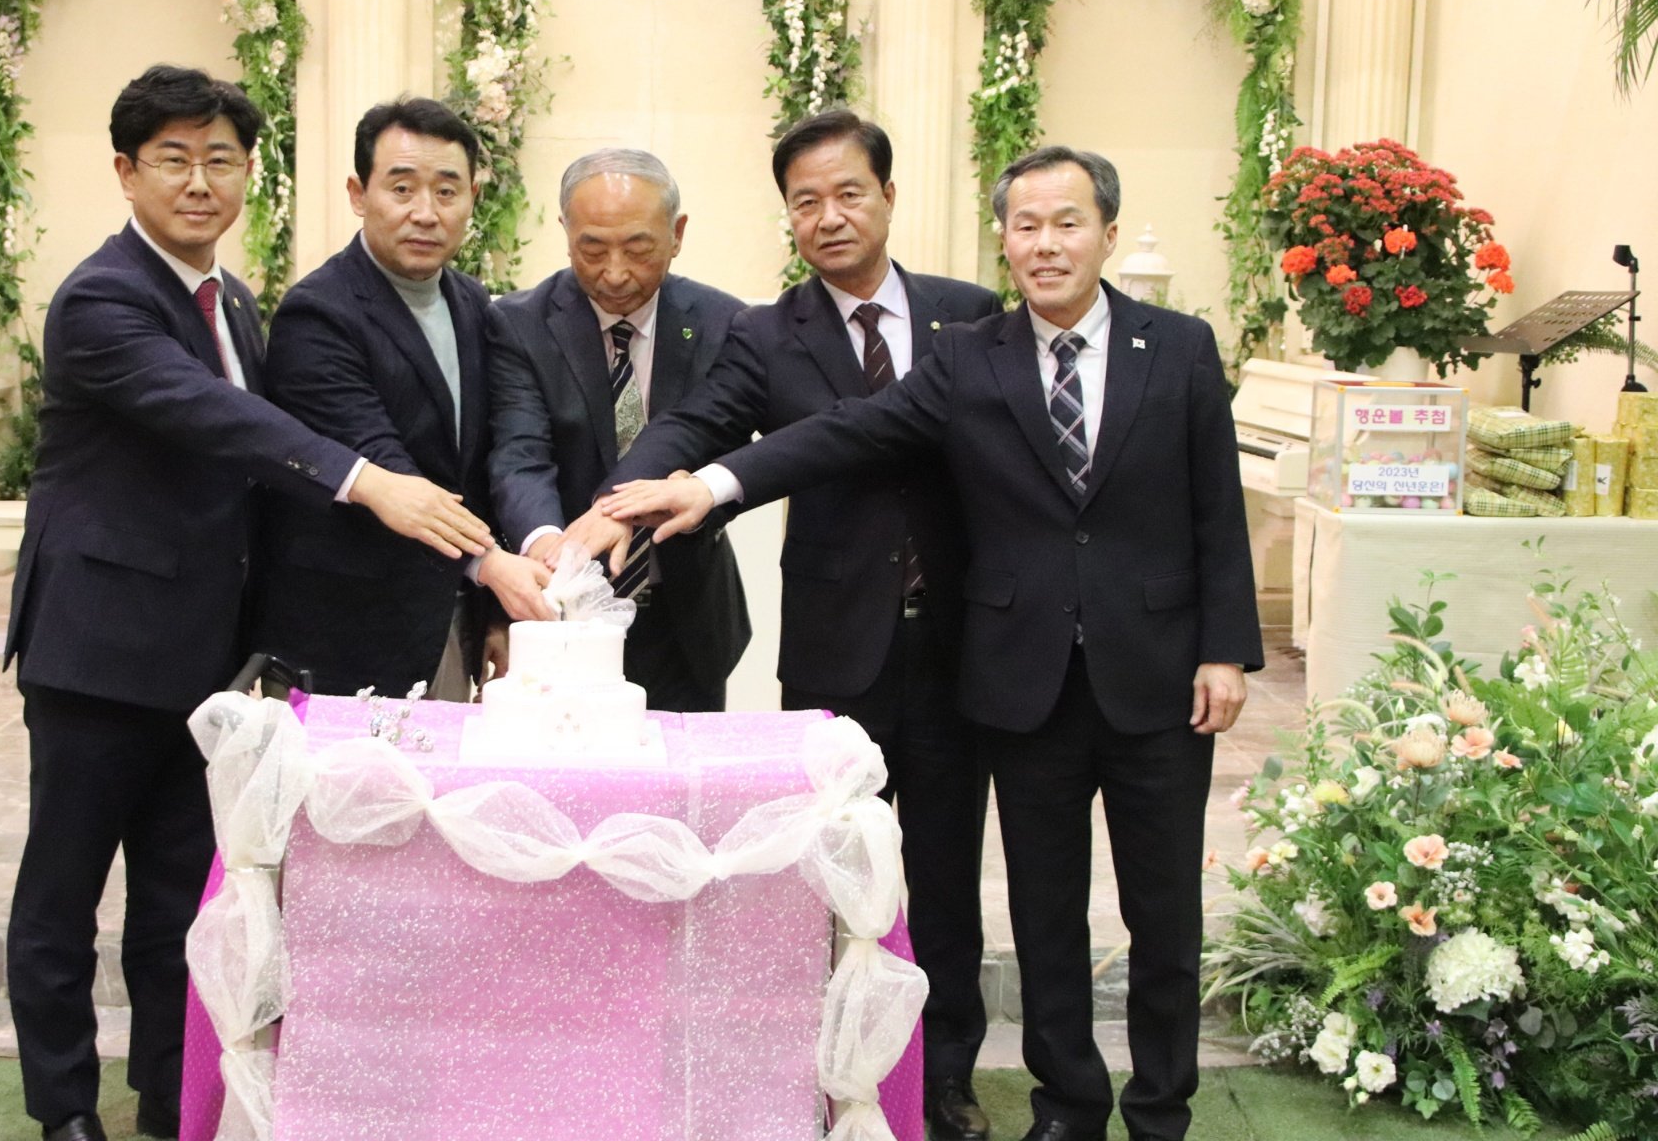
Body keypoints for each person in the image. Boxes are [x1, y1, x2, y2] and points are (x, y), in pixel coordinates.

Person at [605, 145, 1264, 1141]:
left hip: (1158, 673)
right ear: (1004, 240)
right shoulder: (971, 353)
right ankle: (1068, 1106)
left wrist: (1226, 648)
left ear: (1107, 232)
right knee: (1045, 912)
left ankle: (1162, 1110)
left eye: (1068, 223)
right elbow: (847, 432)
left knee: (1165, 916)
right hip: (1026, 678)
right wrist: (712, 484)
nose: (1047, 244)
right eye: (1027, 226)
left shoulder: (1176, 346)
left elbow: (1217, 504)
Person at [3, 66, 491, 1141]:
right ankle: (63, 1107)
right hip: (98, 647)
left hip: (205, 656)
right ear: (127, 171)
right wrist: (366, 478)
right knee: (63, 890)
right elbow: (214, 417)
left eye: (221, 160)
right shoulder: (101, 299)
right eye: (174, 159)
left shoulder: (233, 302)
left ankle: (167, 1095)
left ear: (248, 176)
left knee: (182, 892)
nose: (199, 182)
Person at [572, 110, 999, 1140]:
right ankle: (825, 1066)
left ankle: (944, 1073)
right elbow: (693, 423)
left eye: (849, 192)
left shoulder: (971, 316)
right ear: (788, 219)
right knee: (827, 870)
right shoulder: (767, 335)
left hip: (962, 639)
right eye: (806, 201)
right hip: (837, 642)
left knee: (946, 873)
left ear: (889, 195)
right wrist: (618, 501)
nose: (829, 216)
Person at [249, 97, 550, 700]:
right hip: (344, 635)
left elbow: (481, 467)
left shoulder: (472, 302)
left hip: (448, 619)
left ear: (472, 198)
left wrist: (495, 612)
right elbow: (383, 463)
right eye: (402, 189)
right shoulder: (317, 313)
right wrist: (492, 566)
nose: (425, 213)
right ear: (358, 194)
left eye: (447, 191)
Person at [487, 148, 749, 711]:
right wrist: (551, 547)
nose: (614, 272)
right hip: (558, 615)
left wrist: (680, 492)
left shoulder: (725, 323)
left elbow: (726, 455)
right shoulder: (518, 323)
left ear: (677, 234)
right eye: (592, 249)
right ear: (565, 231)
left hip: (686, 616)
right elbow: (519, 454)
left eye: (637, 249)